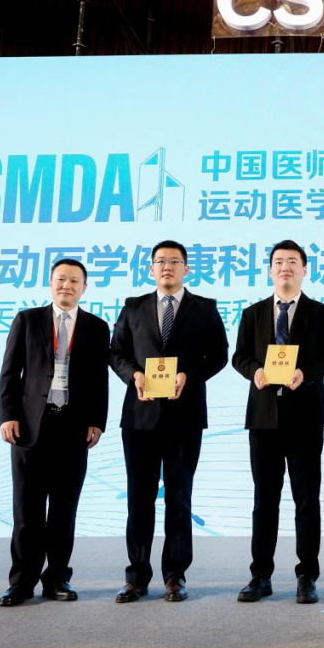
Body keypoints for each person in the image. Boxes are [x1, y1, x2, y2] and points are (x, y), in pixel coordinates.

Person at [109, 240, 229, 603]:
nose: (167, 267)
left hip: (184, 415)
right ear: (150, 269)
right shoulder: (133, 307)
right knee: (139, 498)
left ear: (186, 269)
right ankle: (136, 576)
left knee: (179, 497)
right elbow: (116, 352)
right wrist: (134, 375)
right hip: (140, 416)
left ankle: (175, 575)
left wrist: (189, 376)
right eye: (160, 261)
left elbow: (219, 354)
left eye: (174, 261)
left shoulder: (204, 308)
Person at [233, 240, 324, 605]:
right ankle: (260, 575)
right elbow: (239, 357)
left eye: (292, 262)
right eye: (278, 261)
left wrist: (305, 374)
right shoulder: (252, 313)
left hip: (305, 418)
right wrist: (255, 370)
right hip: (263, 418)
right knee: (264, 500)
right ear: (270, 270)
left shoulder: (320, 313)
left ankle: (307, 575)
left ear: (304, 270)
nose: (285, 267)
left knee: (306, 499)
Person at [0, 258, 109, 607]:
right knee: (27, 510)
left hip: (73, 429)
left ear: (84, 287)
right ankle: (21, 582)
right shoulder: (27, 320)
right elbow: (10, 372)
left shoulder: (97, 327)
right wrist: (7, 416)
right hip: (30, 427)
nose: (66, 286)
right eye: (61, 279)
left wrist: (97, 421)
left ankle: (58, 578)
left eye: (74, 281)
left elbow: (99, 379)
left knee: (63, 510)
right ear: (50, 283)